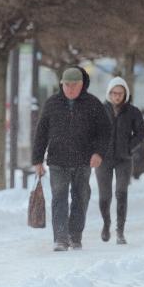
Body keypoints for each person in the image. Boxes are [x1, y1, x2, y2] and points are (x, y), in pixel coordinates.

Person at [32, 66, 112, 251]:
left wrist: (99, 153)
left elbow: (105, 132)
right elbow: (41, 132)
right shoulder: (52, 103)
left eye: (73, 85)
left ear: (81, 85)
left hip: (83, 160)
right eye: (66, 85)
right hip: (57, 160)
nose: (69, 89)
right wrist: (37, 159)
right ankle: (60, 238)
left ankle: (75, 235)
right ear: (61, 84)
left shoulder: (93, 104)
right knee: (59, 198)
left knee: (80, 198)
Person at [95, 77, 144, 245]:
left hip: (124, 159)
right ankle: (106, 223)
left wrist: (129, 147)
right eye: (114, 93)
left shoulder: (133, 112)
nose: (117, 96)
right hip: (104, 159)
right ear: (109, 93)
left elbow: (140, 134)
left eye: (120, 93)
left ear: (125, 94)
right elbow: (91, 133)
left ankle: (120, 231)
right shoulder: (100, 110)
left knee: (121, 193)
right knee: (105, 196)